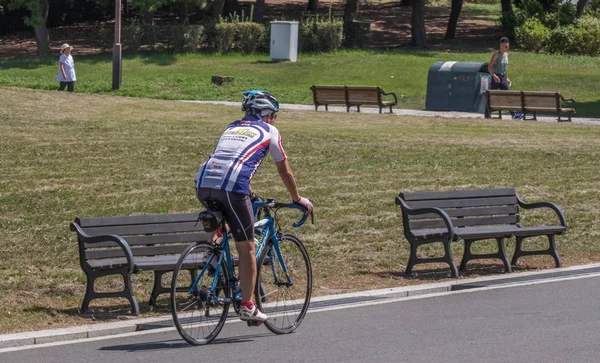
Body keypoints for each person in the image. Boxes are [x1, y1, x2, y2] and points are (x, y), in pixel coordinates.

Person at [195, 90, 313, 324]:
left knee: (226, 222)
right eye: (274, 115)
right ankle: (248, 305)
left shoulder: (231, 127)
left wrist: (250, 192)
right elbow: (284, 170)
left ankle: (214, 254)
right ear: (267, 114)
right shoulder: (269, 131)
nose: (274, 120)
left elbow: (228, 158)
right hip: (232, 186)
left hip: (203, 183)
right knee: (247, 247)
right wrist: (297, 198)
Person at [488, 37, 523, 119]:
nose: (506, 48)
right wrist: (494, 76)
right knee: (492, 96)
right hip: (496, 77)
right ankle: (487, 113)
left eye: (507, 46)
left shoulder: (506, 55)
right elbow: (490, 67)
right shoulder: (496, 55)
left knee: (508, 95)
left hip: (503, 77)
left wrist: (507, 78)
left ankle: (514, 114)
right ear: (501, 46)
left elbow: (505, 69)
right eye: (505, 46)